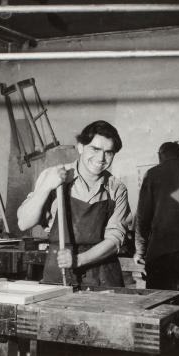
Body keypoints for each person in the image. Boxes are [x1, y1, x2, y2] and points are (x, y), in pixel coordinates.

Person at [17, 120, 130, 287]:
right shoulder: (54, 175)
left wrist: (78, 259)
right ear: (81, 147)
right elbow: (24, 223)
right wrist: (46, 187)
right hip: (60, 270)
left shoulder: (116, 189)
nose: (101, 158)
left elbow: (114, 240)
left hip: (103, 275)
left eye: (109, 152)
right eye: (95, 149)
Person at [134, 141, 179, 325]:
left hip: (163, 251)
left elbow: (143, 216)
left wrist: (140, 250)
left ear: (160, 156)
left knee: (160, 305)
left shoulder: (154, 173)